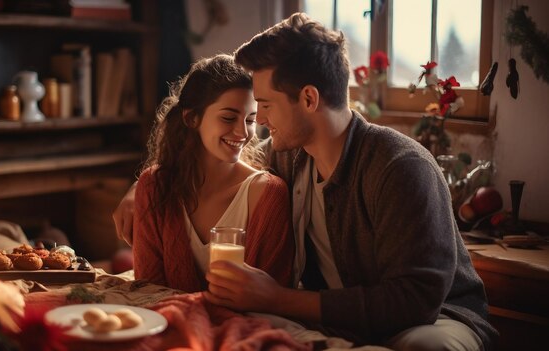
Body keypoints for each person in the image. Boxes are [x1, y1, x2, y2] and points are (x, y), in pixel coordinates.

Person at [113, 14, 498, 350]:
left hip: (435, 320)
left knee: (423, 349)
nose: (257, 122)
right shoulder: (288, 152)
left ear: (309, 99)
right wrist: (141, 188)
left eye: (265, 105)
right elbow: (215, 163)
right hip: (330, 318)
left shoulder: (400, 167)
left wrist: (279, 299)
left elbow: (415, 301)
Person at [127, 54, 294, 293]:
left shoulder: (267, 194)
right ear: (192, 117)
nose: (242, 132)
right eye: (228, 117)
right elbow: (148, 290)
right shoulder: (154, 187)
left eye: (250, 120)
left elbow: (267, 299)